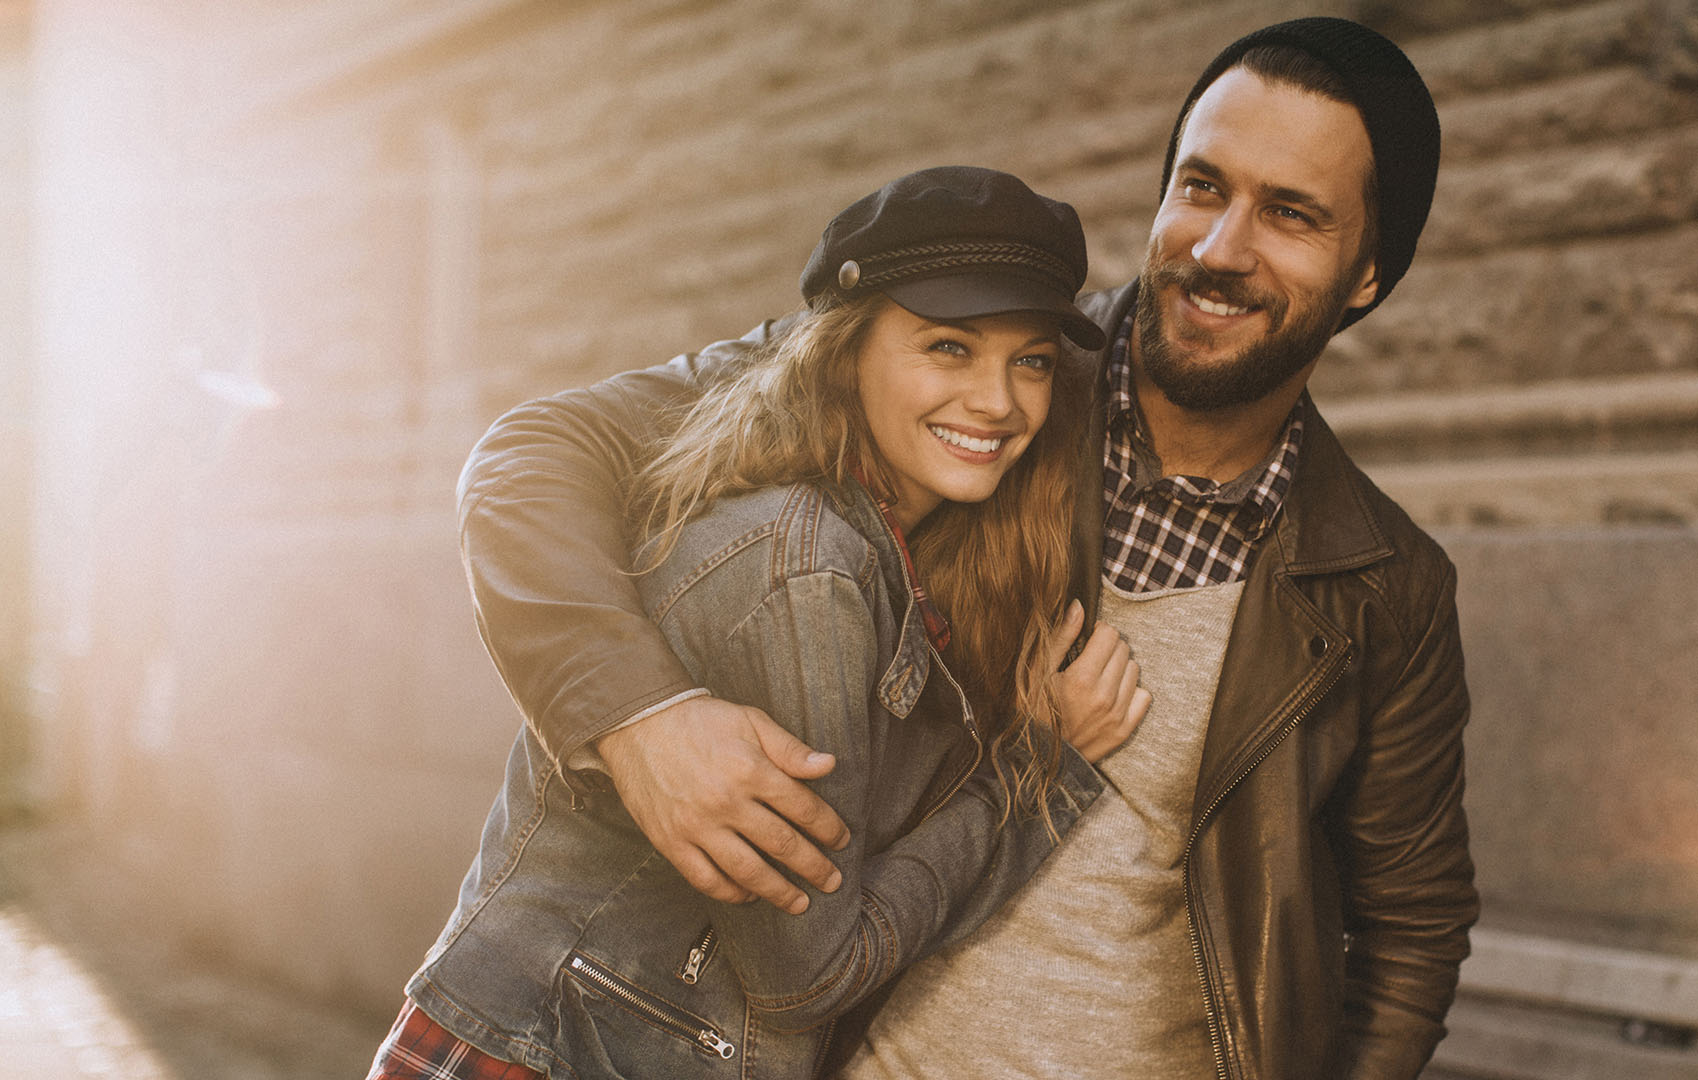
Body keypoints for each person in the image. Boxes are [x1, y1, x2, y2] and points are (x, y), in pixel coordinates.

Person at [450, 16, 1479, 1080]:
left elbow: (1412, 933)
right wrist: (638, 716)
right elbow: (540, 451)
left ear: (1367, 274)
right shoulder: (974, 371)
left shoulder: (1385, 588)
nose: (1220, 249)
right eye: (1204, 187)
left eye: (1293, 215)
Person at [368, 167, 1151, 1080]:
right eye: (948, 347)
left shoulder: (905, 545)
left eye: (1033, 361)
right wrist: (1036, 776)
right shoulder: (804, 572)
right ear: (843, 349)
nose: (999, 402)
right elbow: (808, 975)